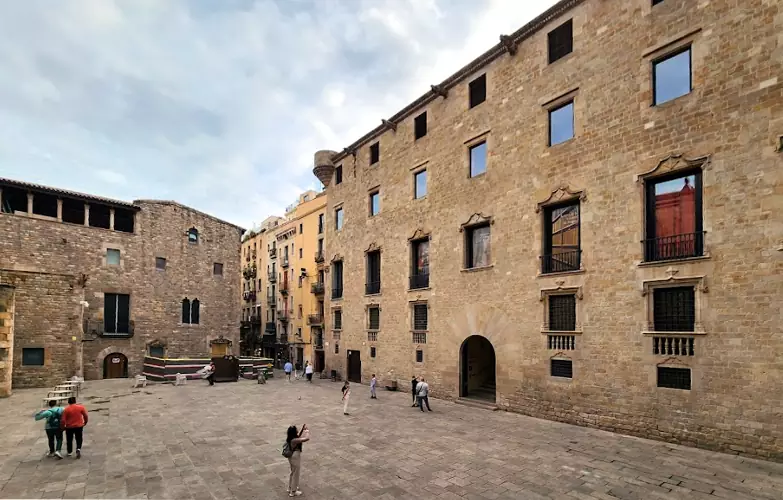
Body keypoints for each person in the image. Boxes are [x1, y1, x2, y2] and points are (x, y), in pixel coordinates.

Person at [285, 424, 310, 497]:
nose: (297, 430)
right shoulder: (295, 440)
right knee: (296, 474)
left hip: (291, 457)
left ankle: (290, 487)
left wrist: (302, 429)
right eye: (296, 429)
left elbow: (298, 435)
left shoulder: (291, 438)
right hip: (295, 457)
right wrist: (307, 431)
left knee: (293, 472)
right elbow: (306, 438)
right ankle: (293, 491)